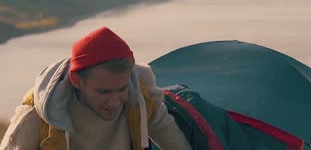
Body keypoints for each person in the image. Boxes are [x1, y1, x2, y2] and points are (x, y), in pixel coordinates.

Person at [0, 27, 192, 150]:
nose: (115, 101)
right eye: (104, 92)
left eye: (122, 89)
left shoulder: (141, 96)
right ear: (76, 81)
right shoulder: (38, 113)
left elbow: (173, 139)